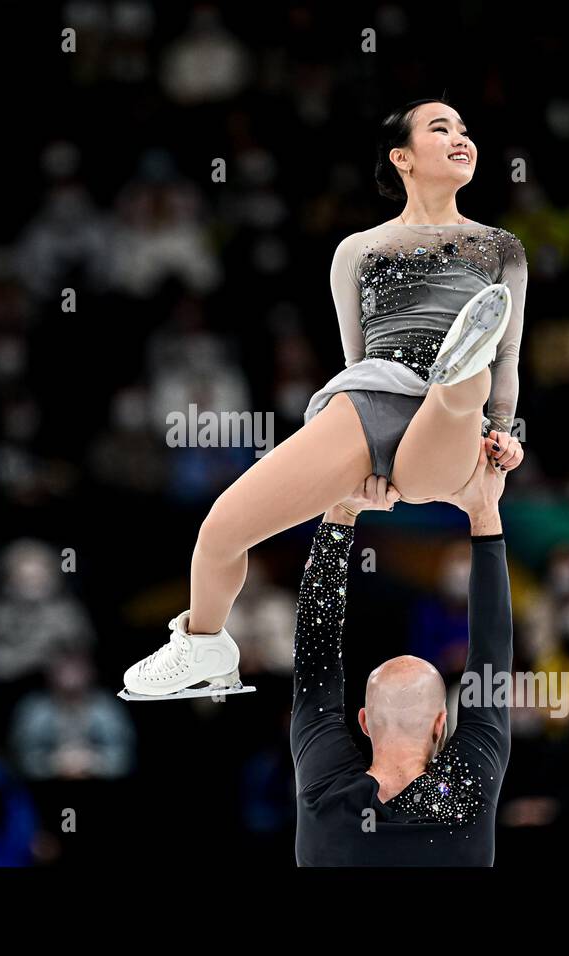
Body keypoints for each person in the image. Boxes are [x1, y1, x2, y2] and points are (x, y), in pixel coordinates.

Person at [122, 98, 527, 699]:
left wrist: (506, 434)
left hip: (447, 428)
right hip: (369, 402)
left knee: (463, 389)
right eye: (440, 129)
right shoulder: (357, 251)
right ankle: (203, 646)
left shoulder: (501, 249)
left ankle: (459, 364)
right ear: (403, 158)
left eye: (465, 130)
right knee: (219, 530)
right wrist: (353, 468)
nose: (460, 137)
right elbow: (356, 359)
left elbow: (511, 357)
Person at [292, 461, 512, 865]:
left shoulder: (327, 799)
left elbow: (315, 657)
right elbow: (493, 655)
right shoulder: (463, 798)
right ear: (441, 722)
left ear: (364, 721)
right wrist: (485, 510)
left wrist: (342, 509)